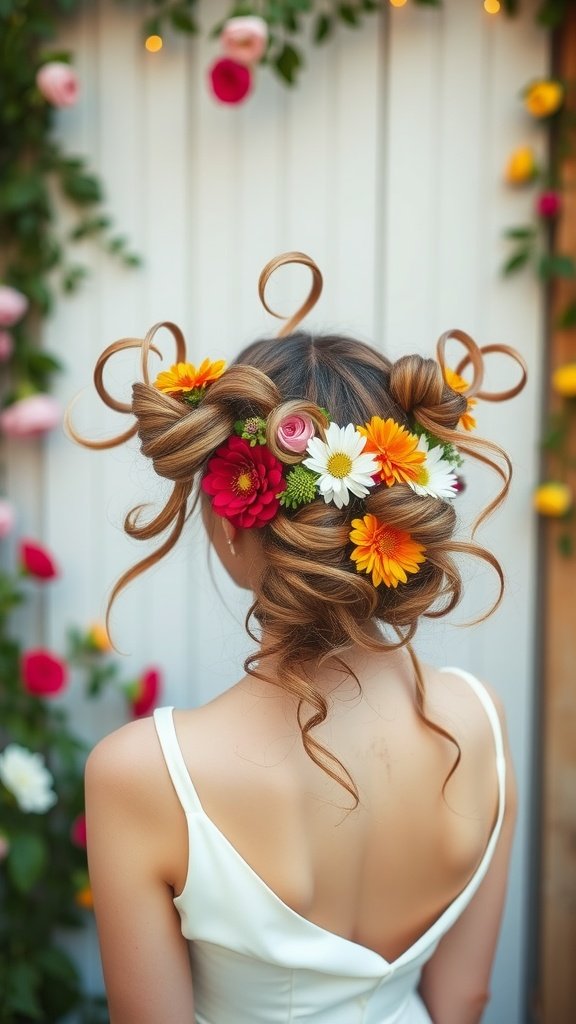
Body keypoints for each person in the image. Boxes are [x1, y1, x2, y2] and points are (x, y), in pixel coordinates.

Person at [74, 252, 527, 1024]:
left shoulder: (141, 776)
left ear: (226, 519)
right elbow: (465, 999)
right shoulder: (480, 722)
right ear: (403, 502)